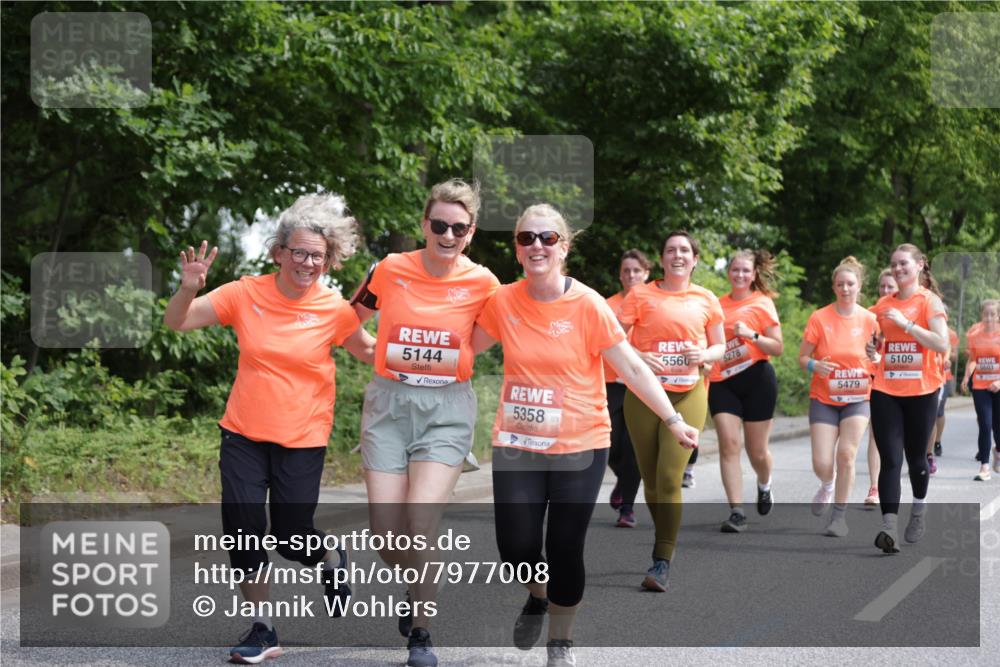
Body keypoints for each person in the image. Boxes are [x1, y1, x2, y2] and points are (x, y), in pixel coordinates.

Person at [473, 205, 698, 667]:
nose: (537, 245)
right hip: (518, 443)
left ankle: (560, 643)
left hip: (581, 443)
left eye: (548, 238)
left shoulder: (589, 304)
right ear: (517, 248)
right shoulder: (502, 301)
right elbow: (462, 347)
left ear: (564, 246)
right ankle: (537, 594)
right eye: (527, 238)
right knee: (516, 549)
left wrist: (673, 419)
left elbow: (631, 365)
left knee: (564, 546)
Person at [163, 193, 375, 664]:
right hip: (242, 433)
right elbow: (177, 322)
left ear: (329, 260)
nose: (306, 262)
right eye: (297, 252)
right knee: (242, 528)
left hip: (302, 440)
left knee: (290, 535)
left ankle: (330, 559)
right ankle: (263, 629)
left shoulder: (335, 309)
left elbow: (371, 352)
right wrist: (188, 288)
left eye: (316, 256)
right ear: (278, 252)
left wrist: (428, 345)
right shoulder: (245, 293)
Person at [350, 178, 499, 667]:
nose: (448, 234)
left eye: (458, 227)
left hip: (445, 412)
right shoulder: (390, 269)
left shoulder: (483, 282)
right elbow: (347, 320)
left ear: (471, 232)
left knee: (419, 523)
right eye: (439, 224)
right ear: (424, 225)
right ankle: (418, 586)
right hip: (388, 409)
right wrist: (374, 353)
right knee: (385, 533)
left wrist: (442, 365)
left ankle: (421, 630)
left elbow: (483, 339)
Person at [619, 231, 725, 581]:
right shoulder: (641, 294)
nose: (677, 255)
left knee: (669, 477)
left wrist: (704, 354)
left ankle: (662, 556)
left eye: (684, 250)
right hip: (644, 396)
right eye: (670, 250)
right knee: (650, 480)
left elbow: (720, 347)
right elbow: (614, 339)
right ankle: (662, 534)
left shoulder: (706, 298)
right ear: (662, 260)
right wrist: (640, 355)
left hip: (688, 392)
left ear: (695, 260)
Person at [867, 243, 949, 554]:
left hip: (922, 390)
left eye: (904, 264)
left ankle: (918, 510)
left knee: (916, 459)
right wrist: (873, 351)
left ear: (919, 266)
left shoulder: (929, 302)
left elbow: (941, 344)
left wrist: (908, 325)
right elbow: (878, 343)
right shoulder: (883, 303)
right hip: (886, 388)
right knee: (890, 459)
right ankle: (889, 527)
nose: (899, 269)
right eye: (894, 264)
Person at [799, 257, 879, 537]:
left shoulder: (870, 319)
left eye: (850, 284)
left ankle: (839, 518)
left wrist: (877, 357)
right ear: (833, 287)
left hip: (859, 398)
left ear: (859, 287)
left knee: (846, 454)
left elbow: (880, 357)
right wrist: (814, 365)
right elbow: (802, 357)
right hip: (824, 397)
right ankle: (827, 484)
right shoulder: (820, 318)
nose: (845, 288)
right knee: (822, 463)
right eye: (840, 284)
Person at [707, 250, 783, 532]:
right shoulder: (715, 304)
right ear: (729, 272)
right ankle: (736, 511)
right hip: (722, 381)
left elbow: (777, 347)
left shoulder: (762, 303)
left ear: (754, 275)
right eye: (735, 269)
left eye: (745, 271)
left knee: (757, 452)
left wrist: (750, 334)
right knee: (728, 444)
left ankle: (764, 484)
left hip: (757, 380)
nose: (739, 275)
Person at [605, 249, 652, 528]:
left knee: (633, 448)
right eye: (626, 271)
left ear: (646, 273)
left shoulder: (656, 303)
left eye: (637, 270)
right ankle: (623, 482)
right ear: (620, 275)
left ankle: (628, 509)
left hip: (642, 384)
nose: (631, 275)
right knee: (609, 445)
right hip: (611, 382)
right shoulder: (607, 305)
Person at [863, 269, 897, 507]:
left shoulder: (904, 313)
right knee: (876, 435)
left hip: (903, 384)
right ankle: (875, 487)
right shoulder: (869, 315)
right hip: (876, 382)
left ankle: (893, 478)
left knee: (896, 439)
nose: (885, 291)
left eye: (890, 287)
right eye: (882, 286)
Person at [959, 299, 1000, 480]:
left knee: (998, 426)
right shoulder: (975, 336)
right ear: (981, 315)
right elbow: (973, 358)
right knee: (985, 424)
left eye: (993, 314)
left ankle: (997, 450)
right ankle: (984, 466)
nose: (989, 318)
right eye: (986, 314)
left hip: (999, 387)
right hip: (980, 386)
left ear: (998, 316)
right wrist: (967, 377)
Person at [925, 317, 959, 473]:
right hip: (925, 377)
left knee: (936, 413)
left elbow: (954, 354)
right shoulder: (923, 330)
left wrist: (947, 359)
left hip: (943, 378)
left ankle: (932, 448)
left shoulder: (950, 334)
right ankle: (921, 451)